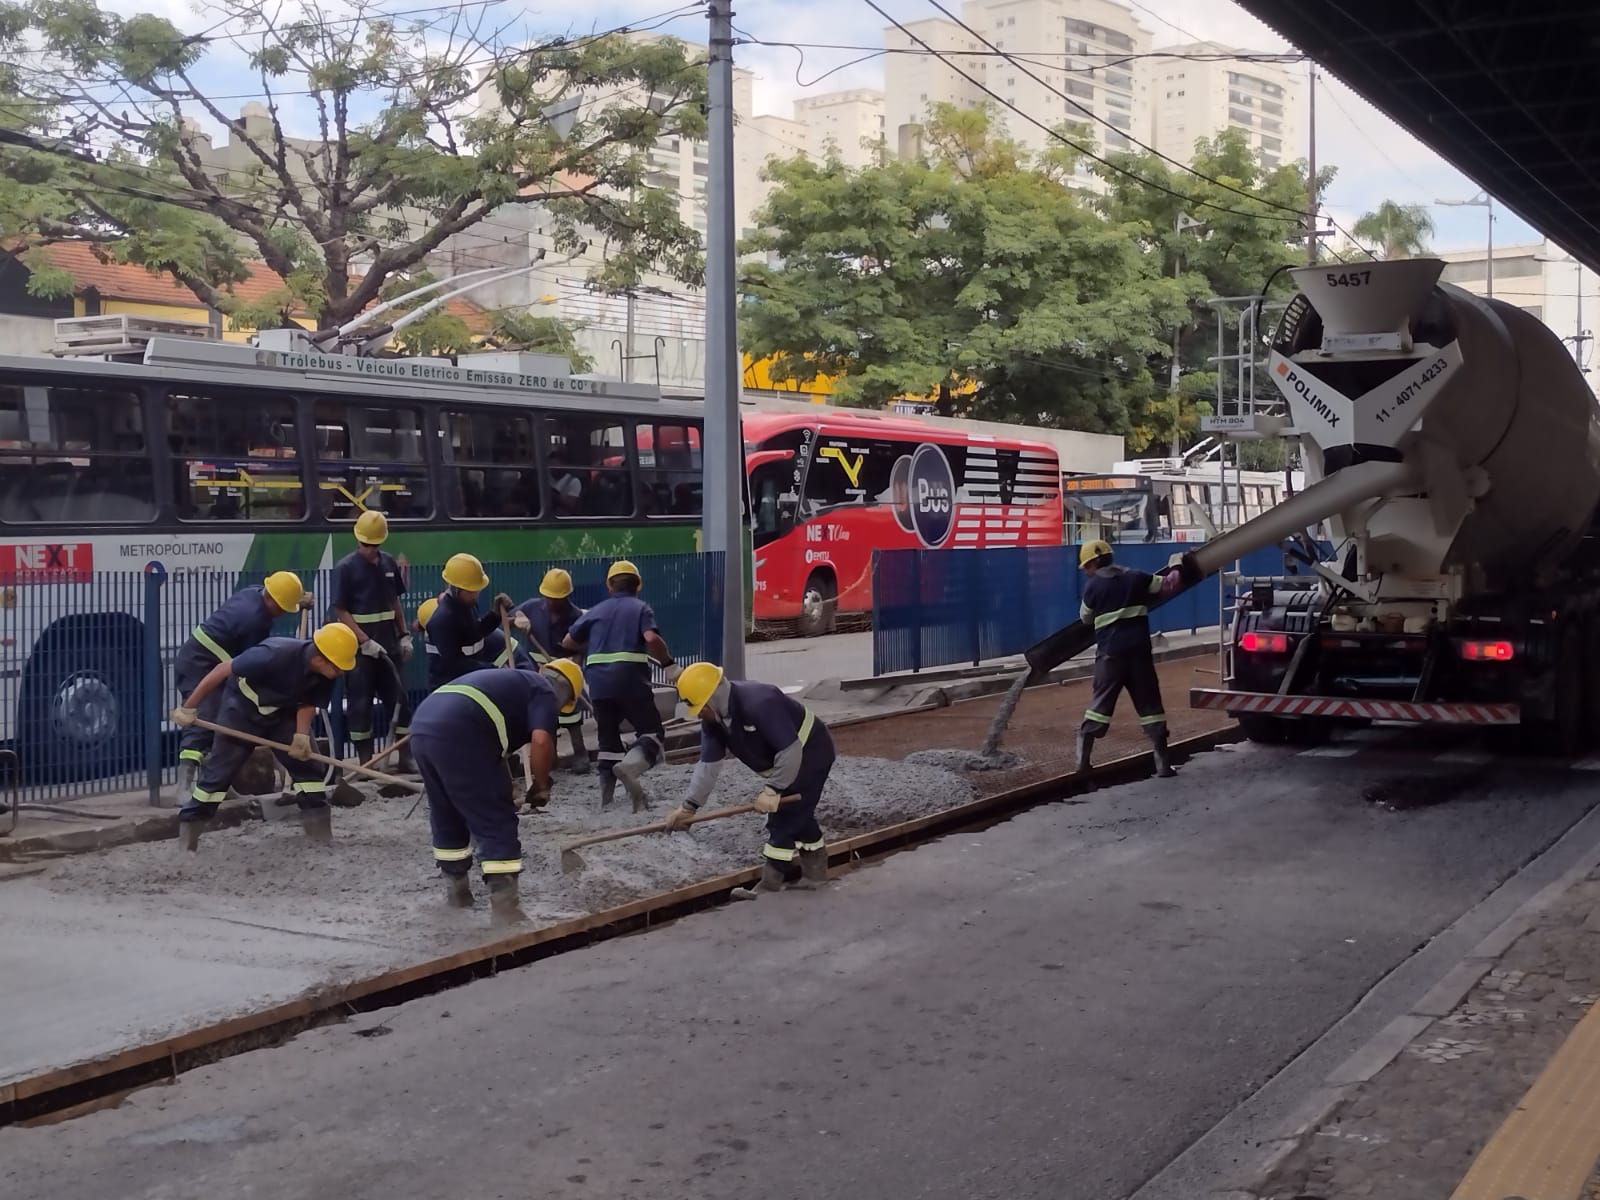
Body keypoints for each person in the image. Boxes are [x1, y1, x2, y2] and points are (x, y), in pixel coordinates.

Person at [409, 658, 586, 923]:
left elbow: (494, 750)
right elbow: (541, 740)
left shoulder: (513, 683)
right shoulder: (545, 692)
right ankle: (506, 909)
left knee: (446, 810)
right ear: (565, 690)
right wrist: (540, 784)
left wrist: (506, 786)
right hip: (461, 730)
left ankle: (457, 895)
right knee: (494, 818)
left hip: (423, 726)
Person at [170, 623, 358, 850]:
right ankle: (187, 841)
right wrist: (189, 707)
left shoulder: (327, 673)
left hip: (282, 714)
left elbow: (309, 702)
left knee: (308, 771)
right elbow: (222, 670)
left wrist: (300, 736)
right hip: (241, 711)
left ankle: (320, 835)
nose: (342, 673)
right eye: (339, 668)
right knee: (217, 777)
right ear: (321, 659)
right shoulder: (273, 654)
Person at [666, 663, 834, 894]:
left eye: (700, 707)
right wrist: (689, 806)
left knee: (784, 817)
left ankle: (769, 884)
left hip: (810, 751)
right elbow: (708, 766)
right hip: (786, 761)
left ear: (713, 698)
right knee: (799, 815)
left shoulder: (759, 702)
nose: (699, 714)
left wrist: (773, 789)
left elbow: (790, 750)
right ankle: (816, 872)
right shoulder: (713, 721)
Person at [172, 570, 309, 802]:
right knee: (202, 720)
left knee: (222, 721)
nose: (283, 613)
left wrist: (299, 598)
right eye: (284, 607)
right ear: (273, 601)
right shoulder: (255, 620)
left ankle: (215, 784)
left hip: (207, 659)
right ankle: (183, 786)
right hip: (200, 663)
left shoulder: (254, 592)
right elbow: (249, 663)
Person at [561, 560, 680, 811]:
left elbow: (568, 642)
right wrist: (669, 664)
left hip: (599, 686)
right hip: (631, 682)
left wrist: (593, 642)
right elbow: (651, 638)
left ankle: (606, 801)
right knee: (652, 733)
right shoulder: (640, 608)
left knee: (608, 741)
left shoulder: (594, 612)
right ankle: (630, 767)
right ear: (638, 586)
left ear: (609, 586)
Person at [1075, 539, 1184, 778]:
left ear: (1095, 561)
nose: (1085, 571)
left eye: (1086, 566)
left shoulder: (1093, 588)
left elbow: (1085, 618)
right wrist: (1176, 565)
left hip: (1110, 656)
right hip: (1139, 655)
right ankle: (1163, 766)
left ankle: (1082, 763)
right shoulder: (1136, 577)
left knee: (1099, 707)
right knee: (1150, 706)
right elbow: (1168, 585)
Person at [332, 510, 414, 771]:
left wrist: (404, 635)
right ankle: (365, 763)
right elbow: (341, 610)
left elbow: (395, 602)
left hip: (389, 646)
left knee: (399, 700)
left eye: (375, 545)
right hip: (361, 651)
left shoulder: (388, 564)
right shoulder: (345, 568)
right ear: (358, 540)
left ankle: (405, 757)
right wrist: (363, 640)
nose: (370, 550)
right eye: (367, 545)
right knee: (360, 704)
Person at [514, 567, 590, 774]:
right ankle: (551, 758)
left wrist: (572, 668)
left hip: (564, 674)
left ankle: (580, 754)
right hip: (537, 673)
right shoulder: (532, 608)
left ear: (566, 596)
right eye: (548, 597)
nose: (551, 601)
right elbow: (509, 616)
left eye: (556, 598)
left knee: (570, 715)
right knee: (545, 716)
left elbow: (581, 648)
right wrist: (518, 618)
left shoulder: (576, 617)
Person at [423, 553, 518, 689]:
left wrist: (495, 615)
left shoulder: (467, 606)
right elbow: (455, 664)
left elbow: (475, 633)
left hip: (468, 682)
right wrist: (493, 670)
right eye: (472, 591)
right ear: (457, 589)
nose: (476, 594)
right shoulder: (442, 620)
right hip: (449, 689)